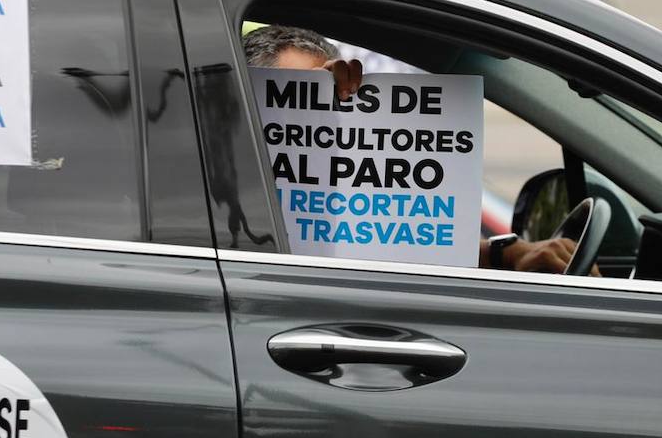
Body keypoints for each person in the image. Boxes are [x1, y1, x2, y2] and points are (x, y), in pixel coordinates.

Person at [243, 24, 585, 274]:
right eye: (298, 96)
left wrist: (507, 254)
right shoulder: (217, 211)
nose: (317, 119)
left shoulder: (351, 206)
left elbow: (408, 249)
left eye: (330, 104)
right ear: (246, 106)